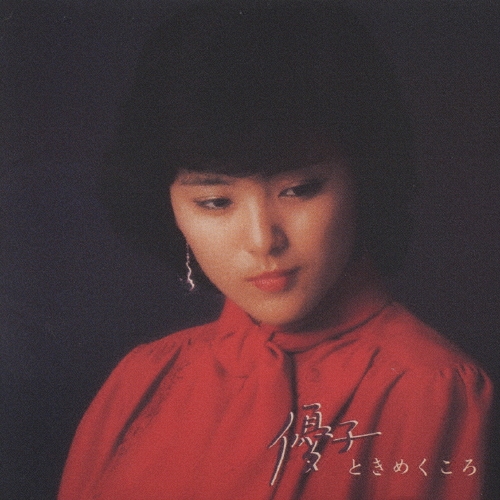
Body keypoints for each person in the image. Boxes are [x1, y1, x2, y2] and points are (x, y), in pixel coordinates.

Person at [58, 1, 492, 499]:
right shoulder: (143, 379)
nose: (263, 240)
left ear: (365, 179)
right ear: (168, 206)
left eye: (299, 190)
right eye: (215, 202)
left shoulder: (429, 389)